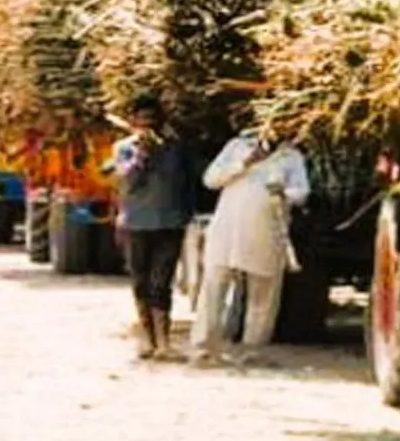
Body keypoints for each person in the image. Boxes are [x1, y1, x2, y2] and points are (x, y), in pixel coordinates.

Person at [190, 127, 310, 365]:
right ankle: (205, 347)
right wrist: (243, 164)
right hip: (227, 230)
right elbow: (210, 179)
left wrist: (285, 193)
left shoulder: (291, 156)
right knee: (214, 287)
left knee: (263, 293)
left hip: (266, 232)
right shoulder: (237, 146)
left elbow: (302, 191)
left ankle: (253, 350)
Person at [104, 95, 195, 361]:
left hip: (169, 223)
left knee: (161, 282)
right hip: (135, 223)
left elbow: (187, 183)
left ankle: (164, 342)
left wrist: (186, 215)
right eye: (142, 120)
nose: (147, 125)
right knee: (140, 281)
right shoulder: (124, 148)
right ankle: (147, 338)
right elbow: (127, 182)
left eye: (152, 120)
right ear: (133, 122)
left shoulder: (175, 148)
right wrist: (141, 156)